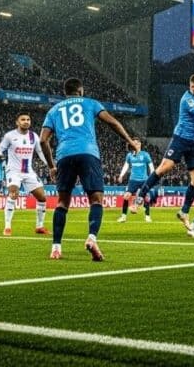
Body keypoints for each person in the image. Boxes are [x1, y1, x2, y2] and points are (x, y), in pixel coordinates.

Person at [41, 77, 139, 261]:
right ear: (81, 91)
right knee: (96, 200)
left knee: (62, 203)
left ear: (65, 92)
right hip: (88, 153)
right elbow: (112, 122)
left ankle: (56, 248)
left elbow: (42, 140)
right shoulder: (91, 103)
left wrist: (52, 166)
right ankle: (92, 238)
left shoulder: (54, 110)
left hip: (64, 155)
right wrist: (129, 141)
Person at [133, 73, 194, 227]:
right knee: (165, 168)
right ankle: (141, 194)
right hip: (181, 139)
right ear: (192, 86)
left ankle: (184, 212)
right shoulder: (188, 100)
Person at [0, 112, 54, 237]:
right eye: (23, 119)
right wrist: (0, 156)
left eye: (28, 119)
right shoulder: (9, 136)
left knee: (42, 197)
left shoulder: (34, 136)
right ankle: (7, 227)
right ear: (17, 122)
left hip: (28, 172)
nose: (26, 121)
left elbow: (40, 153)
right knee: (13, 194)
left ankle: (39, 226)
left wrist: (51, 165)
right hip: (13, 171)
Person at [117, 138, 155, 223]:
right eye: (133, 143)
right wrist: (121, 175)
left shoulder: (145, 154)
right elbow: (126, 166)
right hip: (133, 180)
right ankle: (123, 217)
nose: (135, 145)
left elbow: (151, 166)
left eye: (136, 143)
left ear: (140, 144)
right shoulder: (130, 155)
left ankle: (147, 217)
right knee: (126, 196)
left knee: (146, 198)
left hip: (144, 180)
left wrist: (153, 177)